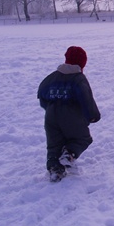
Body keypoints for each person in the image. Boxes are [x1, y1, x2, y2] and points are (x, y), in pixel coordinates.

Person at [38, 46, 101, 182]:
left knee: (54, 144)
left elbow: (41, 94)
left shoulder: (51, 77)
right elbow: (86, 99)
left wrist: (49, 108)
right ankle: (69, 155)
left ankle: (55, 170)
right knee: (82, 139)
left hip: (50, 115)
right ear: (82, 63)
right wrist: (93, 115)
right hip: (71, 115)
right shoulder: (78, 79)